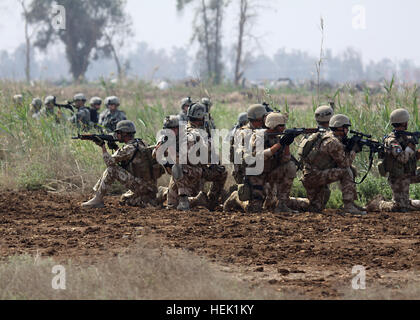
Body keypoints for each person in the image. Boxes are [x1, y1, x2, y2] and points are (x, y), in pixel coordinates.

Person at [82, 120, 160, 208]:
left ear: (125, 134)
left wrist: (103, 146)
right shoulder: (141, 143)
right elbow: (128, 161)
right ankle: (148, 199)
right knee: (125, 200)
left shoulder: (129, 148)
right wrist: (116, 148)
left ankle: (97, 199)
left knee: (112, 170)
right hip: (149, 187)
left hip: (141, 187)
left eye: (118, 133)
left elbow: (109, 162)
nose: (117, 135)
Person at [300, 114, 366, 215]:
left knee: (316, 208)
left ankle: (351, 203)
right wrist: (353, 150)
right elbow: (345, 163)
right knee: (346, 171)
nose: (347, 131)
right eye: (345, 128)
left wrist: (349, 147)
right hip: (314, 177)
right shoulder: (333, 142)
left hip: (312, 175)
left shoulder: (328, 136)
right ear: (338, 127)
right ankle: (348, 205)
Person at [366, 108, 420, 212]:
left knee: (405, 205)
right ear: (404, 122)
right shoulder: (392, 141)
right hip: (398, 178)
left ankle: (408, 202)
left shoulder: (406, 137)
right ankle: (380, 204)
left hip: (409, 173)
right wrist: (410, 146)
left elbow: (411, 158)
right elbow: (403, 159)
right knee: (401, 207)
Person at [223, 104, 268, 212]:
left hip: (262, 171)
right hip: (247, 173)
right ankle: (235, 197)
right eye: (263, 118)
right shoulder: (242, 133)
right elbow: (245, 159)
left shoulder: (263, 131)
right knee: (254, 209)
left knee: (272, 204)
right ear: (257, 119)